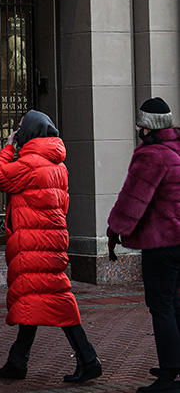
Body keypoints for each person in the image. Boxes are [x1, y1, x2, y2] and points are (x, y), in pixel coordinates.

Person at [0, 110, 101, 384]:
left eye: (20, 128)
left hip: (34, 242)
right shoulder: (58, 163)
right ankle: (18, 361)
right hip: (51, 238)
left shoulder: (30, 163)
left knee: (52, 299)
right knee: (37, 296)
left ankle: (88, 358)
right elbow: (63, 204)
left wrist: (9, 147)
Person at [107, 98, 180, 393]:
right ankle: (174, 363)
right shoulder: (176, 151)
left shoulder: (151, 155)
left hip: (161, 243)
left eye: (140, 124)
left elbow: (133, 199)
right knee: (174, 304)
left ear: (147, 127)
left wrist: (115, 230)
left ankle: (168, 375)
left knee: (160, 305)